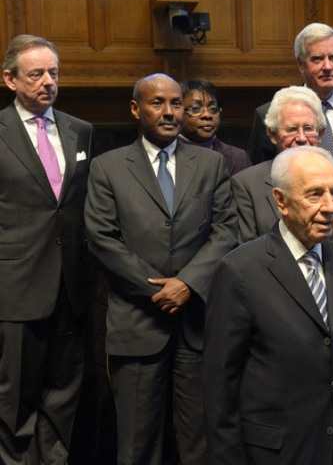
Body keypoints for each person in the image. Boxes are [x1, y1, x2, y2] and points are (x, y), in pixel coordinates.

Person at [84, 73, 237, 465]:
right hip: (138, 323)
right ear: (136, 109)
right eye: (158, 103)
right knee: (137, 446)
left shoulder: (211, 164)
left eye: (176, 103)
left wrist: (187, 284)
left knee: (199, 443)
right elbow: (102, 239)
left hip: (196, 323)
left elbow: (226, 231)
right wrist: (157, 289)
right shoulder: (108, 167)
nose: (170, 112)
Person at [204, 145, 333, 465]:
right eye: (315, 195)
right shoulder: (240, 270)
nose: (330, 207)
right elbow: (220, 388)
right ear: (281, 201)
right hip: (275, 453)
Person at [0, 34, 93, 464]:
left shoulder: (81, 131)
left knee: (63, 396)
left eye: (53, 72)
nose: (47, 82)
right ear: (10, 79)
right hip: (16, 287)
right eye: (35, 74)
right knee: (15, 400)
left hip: (71, 287)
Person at [232, 85, 333, 244]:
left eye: (308, 128)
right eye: (292, 129)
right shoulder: (247, 184)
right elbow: (247, 251)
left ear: (320, 134)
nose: (301, 138)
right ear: (273, 134)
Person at [247, 22, 333, 165]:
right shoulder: (268, 114)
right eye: (317, 59)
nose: (328, 67)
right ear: (301, 64)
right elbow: (258, 177)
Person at [179, 78, 252, 175]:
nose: (207, 115)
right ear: (178, 112)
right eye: (196, 109)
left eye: (213, 109)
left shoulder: (238, 157)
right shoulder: (166, 154)